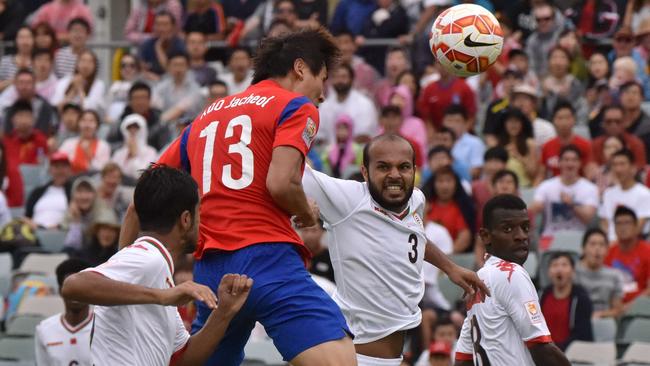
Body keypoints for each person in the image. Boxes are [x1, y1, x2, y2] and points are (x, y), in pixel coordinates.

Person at [129, 28, 358, 366]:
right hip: (269, 260)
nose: (321, 95)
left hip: (212, 273)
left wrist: (124, 273)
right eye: (321, 79)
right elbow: (280, 184)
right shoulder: (297, 106)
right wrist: (308, 214)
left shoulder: (204, 117)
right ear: (299, 69)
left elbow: (139, 200)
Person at [303, 134, 488, 365]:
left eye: (403, 167)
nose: (394, 175)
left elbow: (414, 236)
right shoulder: (347, 199)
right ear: (365, 171)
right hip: (357, 357)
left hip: (395, 356)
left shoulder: (416, 199)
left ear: (414, 170)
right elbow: (291, 171)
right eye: (383, 167)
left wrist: (450, 268)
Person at [61, 165, 254, 365]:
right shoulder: (148, 258)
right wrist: (163, 296)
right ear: (186, 220)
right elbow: (73, 285)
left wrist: (223, 312)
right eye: (199, 213)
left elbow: (182, 359)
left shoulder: (157, 269)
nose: (201, 222)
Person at [455, 194, 571, 366]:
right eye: (508, 229)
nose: (521, 236)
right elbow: (542, 348)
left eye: (525, 228)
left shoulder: (478, 279)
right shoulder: (511, 274)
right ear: (485, 236)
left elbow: (463, 360)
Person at [529, 145, 598, 238]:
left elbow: (588, 217)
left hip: (578, 238)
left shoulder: (590, 188)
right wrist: (536, 207)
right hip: (550, 236)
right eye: (566, 160)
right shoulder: (546, 186)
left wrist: (572, 204)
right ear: (559, 163)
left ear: (580, 163)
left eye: (574, 160)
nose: (570, 164)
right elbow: (535, 206)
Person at [35, 258, 93, 366]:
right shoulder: (44, 329)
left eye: (81, 287)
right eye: (70, 287)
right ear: (60, 291)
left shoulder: (104, 327)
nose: (75, 293)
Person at [540, 252, 594, 351]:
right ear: (549, 272)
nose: (559, 269)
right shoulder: (542, 295)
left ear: (573, 271)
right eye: (554, 265)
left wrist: (557, 350)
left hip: (573, 352)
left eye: (564, 265)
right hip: (544, 352)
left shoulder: (581, 298)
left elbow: (583, 334)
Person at [318, 63, 378, 143]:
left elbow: (364, 136)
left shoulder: (364, 104)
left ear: (352, 79)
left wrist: (346, 153)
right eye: (336, 77)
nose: (339, 81)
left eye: (343, 77)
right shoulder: (325, 105)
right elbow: (320, 136)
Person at [599, 149, 650, 240]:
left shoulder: (644, 194)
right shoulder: (608, 193)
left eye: (622, 164)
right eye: (615, 165)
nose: (618, 169)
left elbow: (639, 227)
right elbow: (604, 222)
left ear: (633, 168)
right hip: (610, 244)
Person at [423, 166, 476, 253]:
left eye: (448, 181)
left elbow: (464, 237)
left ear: (456, 184)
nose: (445, 186)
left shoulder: (462, 208)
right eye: (440, 181)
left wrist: (446, 257)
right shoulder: (425, 204)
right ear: (433, 183)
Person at [604, 206, 650, 305]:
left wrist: (630, 306)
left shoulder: (647, 251)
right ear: (615, 228)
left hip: (640, 306)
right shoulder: (608, 253)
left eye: (627, 223)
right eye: (619, 223)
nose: (623, 227)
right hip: (613, 304)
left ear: (636, 226)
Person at [575, 228, 624, 319]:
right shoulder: (572, 272)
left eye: (602, 245)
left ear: (607, 250)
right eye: (592, 244)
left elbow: (617, 310)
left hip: (603, 322)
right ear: (583, 248)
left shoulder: (614, 275)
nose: (597, 249)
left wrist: (601, 315)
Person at [541, 100, 594, 178]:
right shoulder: (547, 146)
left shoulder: (585, 145)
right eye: (560, 118)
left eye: (567, 118)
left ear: (574, 120)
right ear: (553, 121)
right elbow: (541, 174)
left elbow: (589, 173)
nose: (564, 122)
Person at [491, 107, 539, 188]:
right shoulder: (497, 145)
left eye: (516, 121)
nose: (513, 125)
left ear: (522, 124)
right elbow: (492, 174)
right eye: (510, 122)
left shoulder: (530, 144)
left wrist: (518, 156)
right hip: (502, 189)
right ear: (504, 124)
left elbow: (533, 173)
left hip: (525, 188)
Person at [23, 152, 73, 229]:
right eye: (56, 167)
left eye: (63, 166)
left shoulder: (74, 192)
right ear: (50, 170)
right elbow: (27, 216)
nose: (60, 171)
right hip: (33, 233)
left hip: (61, 233)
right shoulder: (37, 192)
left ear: (69, 169)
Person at [114, 81, 168, 151]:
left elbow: (165, 148)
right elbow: (110, 145)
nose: (140, 102)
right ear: (130, 101)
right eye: (136, 98)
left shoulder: (160, 123)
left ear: (149, 100)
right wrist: (125, 145)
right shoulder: (121, 121)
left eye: (143, 98)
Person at [1, 69, 57, 136]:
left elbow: (53, 130)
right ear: (15, 85)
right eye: (21, 82)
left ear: (34, 85)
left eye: (28, 83)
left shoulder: (46, 107)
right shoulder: (9, 107)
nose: (24, 87)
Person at [152, 52, 203, 124]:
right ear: (168, 66)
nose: (178, 69)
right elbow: (155, 106)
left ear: (188, 67)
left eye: (181, 65)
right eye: (175, 65)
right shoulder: (161, 86)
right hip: (165, 128)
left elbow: (182, 108)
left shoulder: (195, 88)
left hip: (189, 126)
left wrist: (159, 121)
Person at [591, 104, 647, 169]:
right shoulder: (594, 145)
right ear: (603, 124)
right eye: (609, 122)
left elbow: (639, 169)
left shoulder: (636, 144)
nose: (613, 125)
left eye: (618, 121)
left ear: (625, 122)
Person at [62, 176, 109, 251]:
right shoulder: (69, 214)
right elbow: (71, 247)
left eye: (88, 191)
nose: (84, 196)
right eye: (80, 191)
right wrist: (76, 220)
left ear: (95, 195)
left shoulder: (104, 212)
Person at [57, 109, 111, 174]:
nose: (87, 125)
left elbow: (103, 171)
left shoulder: (103, 146)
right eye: (83, 120)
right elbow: (59, 162)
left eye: (91, 121)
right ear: (78, 124)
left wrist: (89, 156)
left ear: (97, 126)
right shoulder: (68, 143)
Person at [138, 11, 186, 79]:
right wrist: (147, 74)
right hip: (151, 82)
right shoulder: (146, 45)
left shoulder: (180, 45)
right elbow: (141, 69)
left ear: (173, 27)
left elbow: (172, 71)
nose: (161, 29)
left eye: (165, 24)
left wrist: (158, 47)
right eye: (158, 24)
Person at [443, 104, 485, 180]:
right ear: (443, 122)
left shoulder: (475, 143)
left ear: (466, 123)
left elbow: (476, 171)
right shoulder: (437, 140)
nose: (452, 125)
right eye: (449, 120)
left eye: (457, 121)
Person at [111, 113, 159, 180]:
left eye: (136, 127)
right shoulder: (118, 153)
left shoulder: (151, 152)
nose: (132, 131)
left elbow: (140, 176)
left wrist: (134, 155)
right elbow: (111, 175)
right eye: (129, 128)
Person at [525, 3, 565, 78]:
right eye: (538, 20)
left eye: (547, 19)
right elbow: (531, 65)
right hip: (538, 80)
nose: (543, 22)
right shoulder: (532, 40)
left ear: (554, 19)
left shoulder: (562, 37)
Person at [2, 100, 49, 165]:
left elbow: (41, 163)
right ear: (12, 119)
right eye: (20, 116)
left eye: (27, 116)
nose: (24, 120)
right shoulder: (6, 141)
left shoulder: (41, 140)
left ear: (33, 119)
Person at [106, 53, 141, 124]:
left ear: (137, 68)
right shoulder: (114, 86)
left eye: (132, 66)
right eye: (124, 65)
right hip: (112, 125)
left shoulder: (141, 87)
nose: (127, 69)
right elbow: (106, 108)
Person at [620, 81, 650, 161]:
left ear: (642, 98)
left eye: (634, 93)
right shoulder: (613, 121)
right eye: (626, 92)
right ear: (620, 97)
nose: (630, 96)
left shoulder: (648, 126)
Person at [0, 26, 34, 91]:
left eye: (28, 37)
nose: (25, 41)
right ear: (16, 40)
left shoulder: (38, 61)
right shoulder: (5, 61)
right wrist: (15, 80)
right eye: (21, 37)